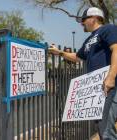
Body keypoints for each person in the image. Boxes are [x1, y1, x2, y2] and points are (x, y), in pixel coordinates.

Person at [48, 7, 117, 139]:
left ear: (94, 18)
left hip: (111, 87)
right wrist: (59, 52)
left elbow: (116, 49)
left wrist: (111, 77)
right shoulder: (88, 40)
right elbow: (77, 57)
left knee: (106, 129)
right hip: (99, 89)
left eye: (84, 19)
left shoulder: (108, 29)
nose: (82, 23)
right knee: (102, 127)